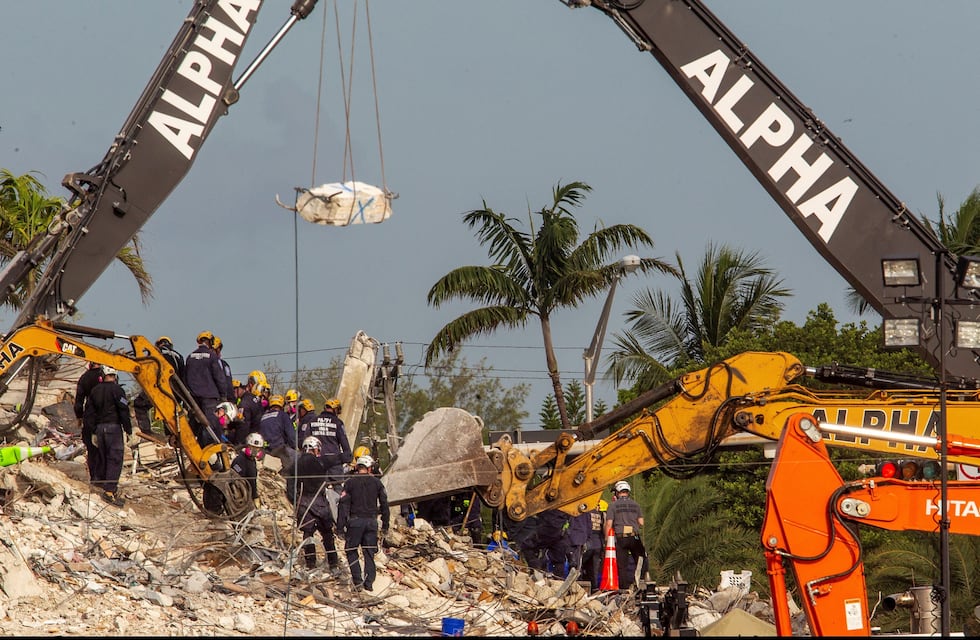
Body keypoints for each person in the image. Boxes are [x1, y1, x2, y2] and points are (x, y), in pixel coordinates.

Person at [288, 436, 341, 575]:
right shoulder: (321, 463)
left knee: (308, 534)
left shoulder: (295, 465)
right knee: (327, 534)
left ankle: (310, 563)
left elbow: (290, 488)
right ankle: (333, 564)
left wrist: (295, 500)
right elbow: (340, 458)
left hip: (303, 503)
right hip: (320, 502)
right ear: (315, 448)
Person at [337, 454, 389, 592]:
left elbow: (343, 505)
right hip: (371, 522)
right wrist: (385, 525)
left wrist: (340, 527)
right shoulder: (377, 483)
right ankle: (369, 583)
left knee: (351, 550)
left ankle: (358, 581)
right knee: (369, 552)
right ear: (369, 468)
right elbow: (384, 504)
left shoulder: (349, 483)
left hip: (355, 522)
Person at [85, 366, 132, 507]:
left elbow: (89, 413)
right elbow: (124, 410)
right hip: (113, 428)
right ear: (115, 375)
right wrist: (128, 429)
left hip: (99, 429)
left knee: (102, 456)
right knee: (115, 458)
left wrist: (92, 431)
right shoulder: (118, 390)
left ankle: (100, 482)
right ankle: (109, 491)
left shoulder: (95, 391)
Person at [604, 480, 648, 588]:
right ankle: (640, 584)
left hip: (621, 538)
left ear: (617, 492)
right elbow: (641, 523)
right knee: (641, 560)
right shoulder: (635, 505)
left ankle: (624, 588)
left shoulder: (613, 505)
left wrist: (606, 540)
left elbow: (608, 524)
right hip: (635, 536)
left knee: (622, 566)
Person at [306, 398, 352, 481]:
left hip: (316, 462)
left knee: (317, 488)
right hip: (334, 462)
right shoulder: (338, 422)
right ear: (335, 409)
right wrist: (348, 457)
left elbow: (305, 441)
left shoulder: (312, 421)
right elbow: (344, 443)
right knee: (337, 487)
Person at [183, 330, 226, 418]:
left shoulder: (190, 357)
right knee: (210, 425)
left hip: (193, 399)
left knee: (194, 425)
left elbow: (185, 378)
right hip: (209, 398)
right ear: (210, 342)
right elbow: (219, 377)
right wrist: (223, 395)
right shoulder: (212, 356)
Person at [74, 362, 104, 483]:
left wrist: (79, 417)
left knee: (92, 450)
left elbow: (79, 401)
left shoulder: (85, 377)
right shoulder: (105, 377)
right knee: (104, 449)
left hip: (90, 417)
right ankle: (104, 478)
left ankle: (95, 477)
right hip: (104, 417)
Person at [259, 394, 297, 473]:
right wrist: (295, 446)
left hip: (264, 451)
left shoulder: (263, 416)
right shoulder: (283, 415)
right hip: (279, 450)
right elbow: (291, 435)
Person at [580, 499, 608, 591]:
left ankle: (580, 589)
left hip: (587, 542)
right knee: (594, 571)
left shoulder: (585, 511)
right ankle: (594, 589)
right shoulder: (600, 513)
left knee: (579, 567)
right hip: (598, 544)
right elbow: (604, 528)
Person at [212, 336, 234, 402]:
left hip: (220, 399)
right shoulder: (224, 365)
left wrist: (231, 400)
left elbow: (228, 384)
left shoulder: (224, 365)